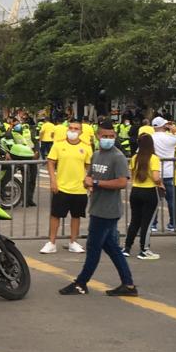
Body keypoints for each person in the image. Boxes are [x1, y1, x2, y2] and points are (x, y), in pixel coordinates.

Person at [58, 121, 137, 296]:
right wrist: (88, 183)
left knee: (93, 247)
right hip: (96, 206)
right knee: (111, 248)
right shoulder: (95, 155)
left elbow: (122, 182)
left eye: (111, 136)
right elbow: (90, 176)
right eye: (104, 136)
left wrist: (96, 183)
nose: (108, 139)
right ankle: (128, 284)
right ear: (98, 136)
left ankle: (81, 283)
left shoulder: (118, 157)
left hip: (108, 210)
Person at [41, 118, 93, 254]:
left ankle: (73, 242)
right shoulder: (58, 145)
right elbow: (51, 162)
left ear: (81, 131)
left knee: (76, 216)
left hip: (79, 189)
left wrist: (90, 182)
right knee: (55, 215)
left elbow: (89, 167)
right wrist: (53, 180)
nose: (73, 131)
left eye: (76, 129)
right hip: (61, 187)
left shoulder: (86, 147)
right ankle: (51, 242)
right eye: (71, 128)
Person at [123, 133, 162, 260]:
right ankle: (144, 249)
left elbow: (132, 174)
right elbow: (156, 177)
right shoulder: (154, 158)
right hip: (150, 191)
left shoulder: (134, 157)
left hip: (136, 190)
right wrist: (160, 184)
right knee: (147, 222)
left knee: (135, 220)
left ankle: (127, 247)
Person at [151, 117, 176, 232]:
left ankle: (153, 224)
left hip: (155, 173)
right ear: (165, 126)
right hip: (169, 172)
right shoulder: (172, 138)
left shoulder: (149, 138)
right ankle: (173, 224)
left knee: (154, 200)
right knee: (171, 200)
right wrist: (175, 130)